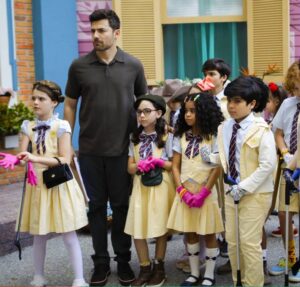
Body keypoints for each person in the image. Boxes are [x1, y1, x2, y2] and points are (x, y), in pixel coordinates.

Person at [64, 9, 148, 286]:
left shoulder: (133, 65)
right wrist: (67, 141)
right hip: (89, 150)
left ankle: (123, 262)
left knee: (122, 207)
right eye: (93, 31)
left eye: (101, 30)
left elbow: (144, 104)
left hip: (123, 151)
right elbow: (70, 103)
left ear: (116, 32)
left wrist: (145, 142)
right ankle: (100, 263)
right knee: (96, 208)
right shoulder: (79, 66)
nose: (96, 36)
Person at [15, 80, 88, 286]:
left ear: (54, 102)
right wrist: (18, 159)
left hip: (58, 183)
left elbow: (65, 158)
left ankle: (79, 278)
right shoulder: (27, 126)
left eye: (42, 99)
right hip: (36, 184)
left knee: (68, 233)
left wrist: (35, 158)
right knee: (39, 233)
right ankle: (38, 276)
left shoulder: (61, 126)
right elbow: (23, 155)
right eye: (34, 98)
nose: (36, 102)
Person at [216, 76, 277, 286]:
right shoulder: (224, 127)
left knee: (250, 244)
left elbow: (267, 165)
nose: (231, 106)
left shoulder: (262, 130)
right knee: (232, 243)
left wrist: (243, 187)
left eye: (237, 101)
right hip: (230, 192)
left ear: (251, 104)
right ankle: (238, 282)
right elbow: (227, 157)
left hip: (255, 194)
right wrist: (209, 158)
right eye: (229, 100)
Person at [167, 92, 224, 286]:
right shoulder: (180, 136)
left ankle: (209, 273)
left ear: (205, 112)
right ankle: (193, 273)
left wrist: (204, 192)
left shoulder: (213, 136)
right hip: (185, 193)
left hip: (205, 193)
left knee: (208, 233)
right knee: (189, 232)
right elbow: (175, 165)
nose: (188, 115)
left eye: (193, 111)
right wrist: (181, 190)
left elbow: (217, 167)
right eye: (186, 111)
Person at [124, 94, 175, 286]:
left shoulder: (168, 135)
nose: (142, 116)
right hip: (140, 187)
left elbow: (173, 165)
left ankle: (159, 267)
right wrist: (139, 166)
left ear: (159, 113)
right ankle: (144, 268)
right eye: (139, 112)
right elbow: (129, 167)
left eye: (147, 111)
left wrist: (157, 161)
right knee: (138, 228)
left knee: (159, 228)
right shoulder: (134, 137)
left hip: (161, 186)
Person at [269, 60, 300, 282]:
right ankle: (291, 260)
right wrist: (285, 151)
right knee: (284, 213)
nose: (298, 91)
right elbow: (278, 132)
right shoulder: (289, 104)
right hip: (289, 166)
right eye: (296, 87)